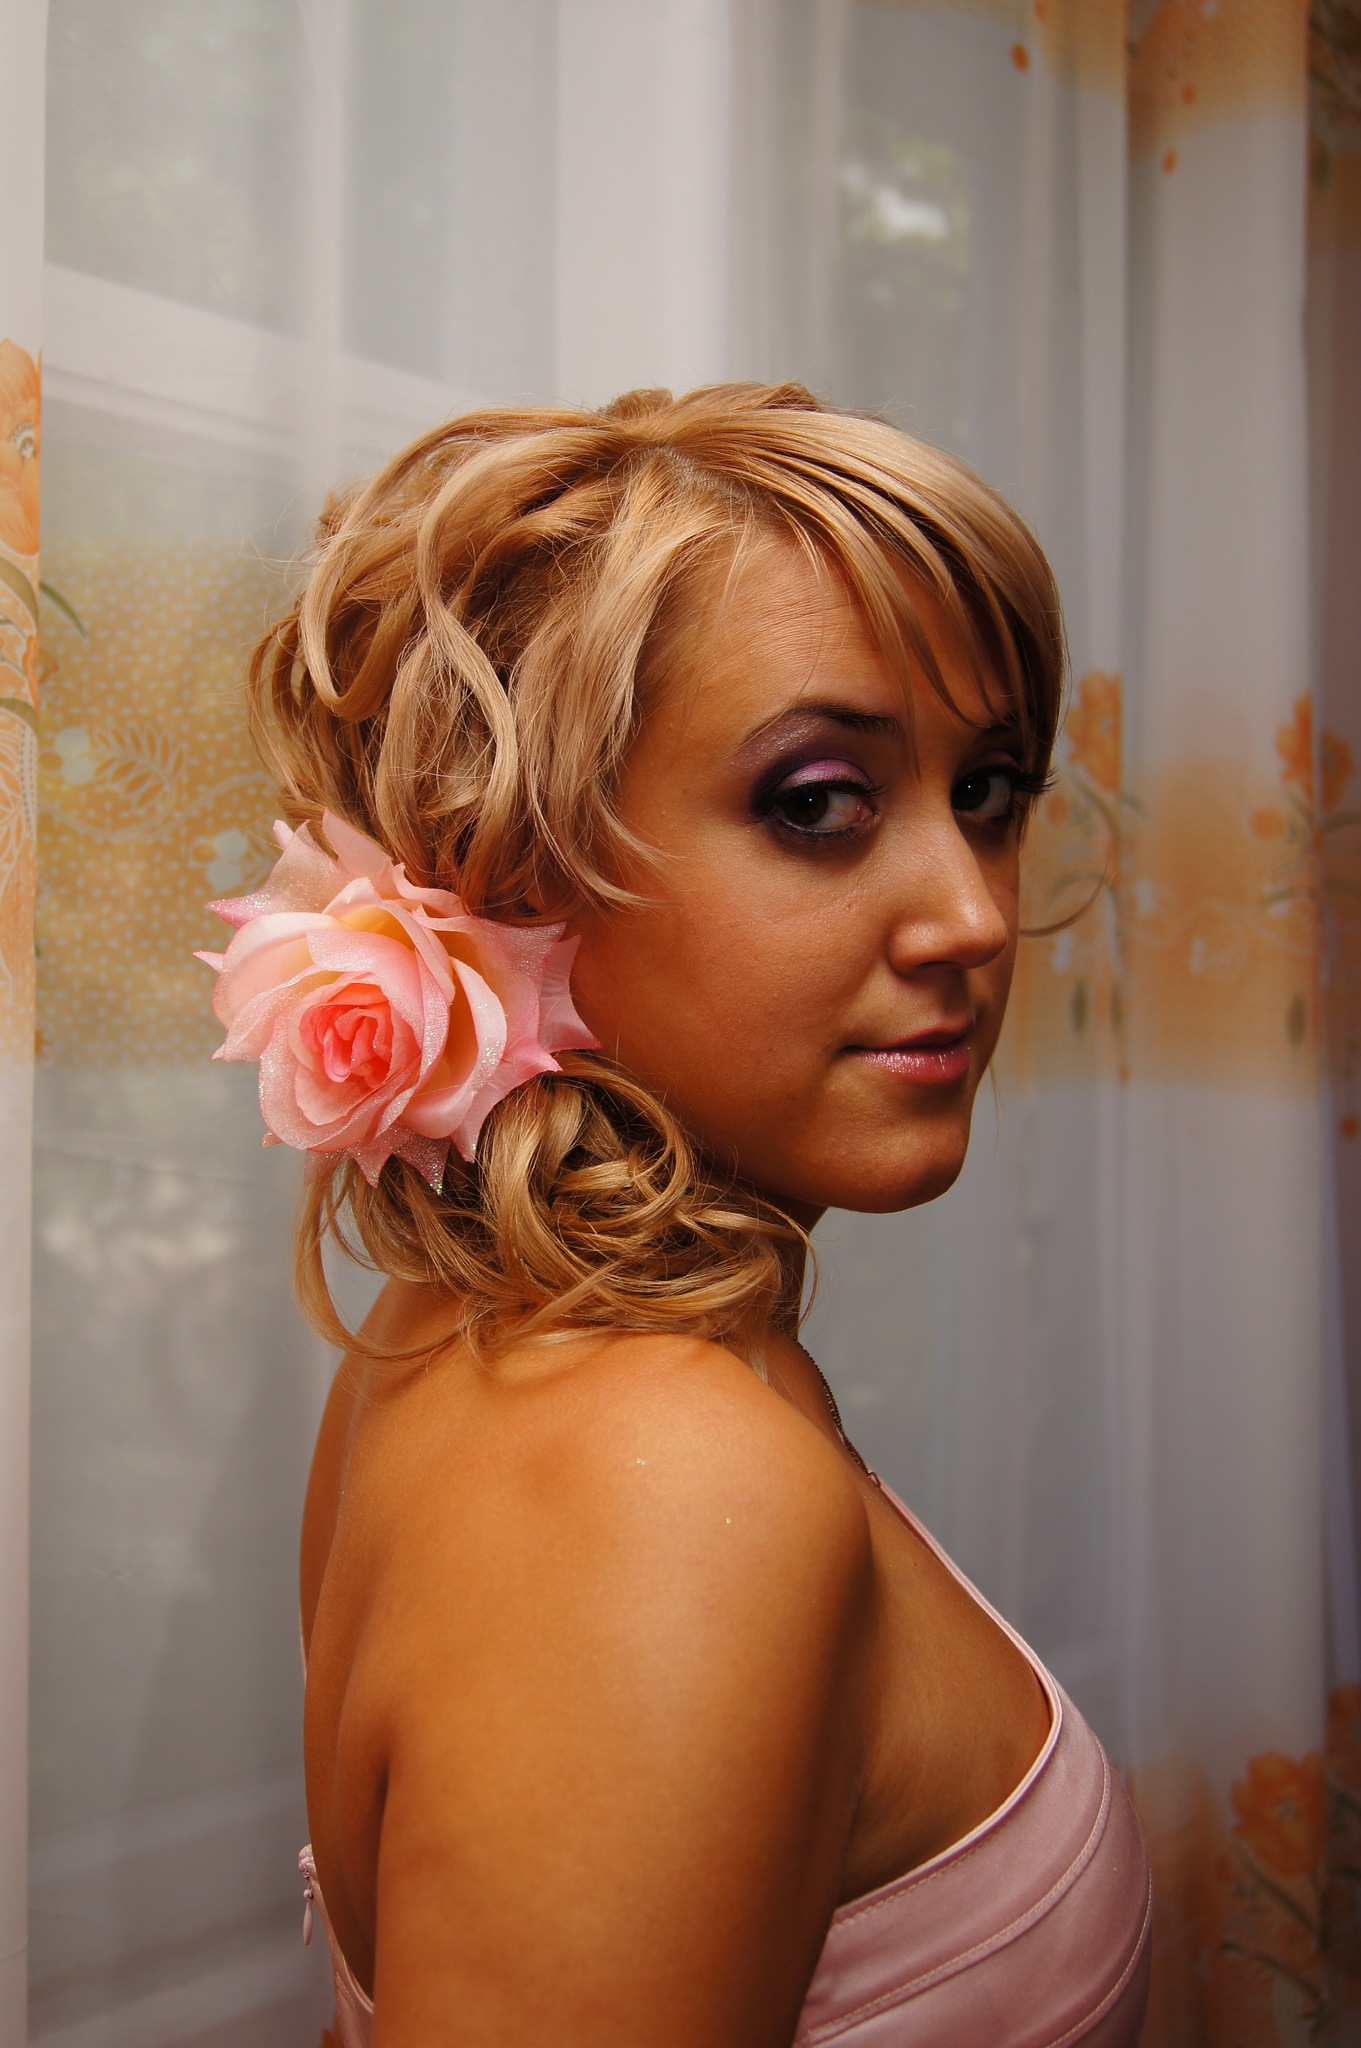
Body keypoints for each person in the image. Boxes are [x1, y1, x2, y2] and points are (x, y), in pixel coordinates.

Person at [202, 384, 1151, 2045]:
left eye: (989, 790)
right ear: (519, 863)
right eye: (818, 802)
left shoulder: (473, 1339)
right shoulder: (655, 1478)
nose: (971, 915)